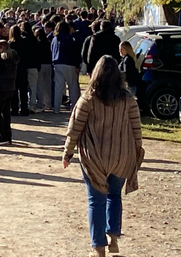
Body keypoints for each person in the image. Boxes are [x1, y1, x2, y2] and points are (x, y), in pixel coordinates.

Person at [62, 56, 145, 257]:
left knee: (96, 200)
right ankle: (113, 238)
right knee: (114, 196)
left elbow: (75, 128)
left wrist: (68, 152)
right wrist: (137, 152)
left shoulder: (88, 99)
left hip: (94, 157)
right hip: (120, 155)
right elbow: (136, 129)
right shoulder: (127, 99)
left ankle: (98, 247)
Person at [52, 21, 81, 114]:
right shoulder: (70, 39)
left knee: (58, 87)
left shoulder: (54, 39)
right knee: (72, 86)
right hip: (69, 64)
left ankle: (56, 108)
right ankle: (74, 107)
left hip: (57, 64)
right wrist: (77, 64)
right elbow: (75, 52)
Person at [0, 40, 19, 145]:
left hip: (1, 87)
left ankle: (0, 137)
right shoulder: (14, 57)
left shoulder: (3, 59)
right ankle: (8, 136)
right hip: (11, 87)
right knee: (6, 113)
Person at [20, 22, 41, 114]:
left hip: (24, 66)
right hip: (33, 65)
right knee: (33, 86)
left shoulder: (22, 40)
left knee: (23, 87)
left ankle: (22, 104)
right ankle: (32, 105)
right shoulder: (34, 39)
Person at [35, 27, 53, 111]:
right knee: (48, 85)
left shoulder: (37, 43)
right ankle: (48, 103)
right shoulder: (48, 42)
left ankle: (40, 103)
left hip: (40, 65)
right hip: (48, 64)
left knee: (40, 85)